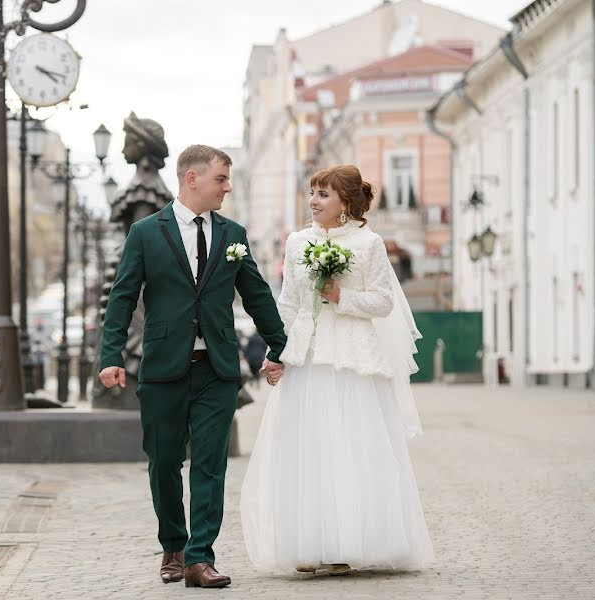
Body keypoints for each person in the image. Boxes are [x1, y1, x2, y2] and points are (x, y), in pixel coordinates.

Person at [99, 145, 287, 589]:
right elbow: (122, 298)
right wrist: (110, 357)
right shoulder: (147, 232)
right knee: (164, 462)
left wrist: (281, 347)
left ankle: (200, 558)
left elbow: (257, 295)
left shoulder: (233, 234)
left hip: (217, 369)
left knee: (209, 465)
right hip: (163, 368)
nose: (227, 187)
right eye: (221, 178)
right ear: (192, 179)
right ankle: (173, 546)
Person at [241, 164, 433, 575]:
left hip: (353, 357)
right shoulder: (297, 242)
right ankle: (311, 543)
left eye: (324, 194)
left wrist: (340, 296)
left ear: (345, 203)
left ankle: (349, 542)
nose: (314, 200)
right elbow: (289, 302)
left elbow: (383, 301)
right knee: (309, 447)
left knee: (352, 447)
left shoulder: (369, 244)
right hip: (308, 355)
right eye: (312, 192)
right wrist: (276, 352)